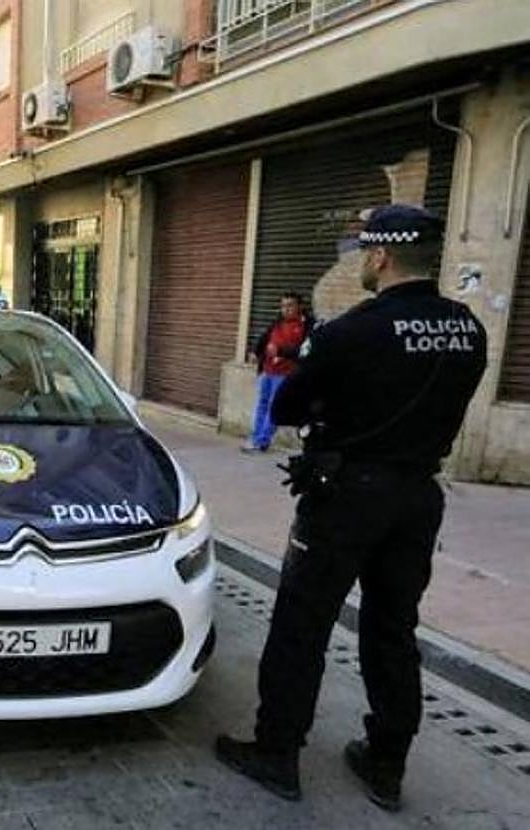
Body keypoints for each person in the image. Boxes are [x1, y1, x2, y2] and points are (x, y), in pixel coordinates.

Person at [215, 205, 487, 812]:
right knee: (393, 631)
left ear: (381, 256)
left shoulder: (353, 329)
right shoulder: (469, 328)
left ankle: (277, 753)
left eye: (363, 251)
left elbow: (286, 407)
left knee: (302, 626)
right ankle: (386, 764)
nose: (361, 261)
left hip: (345, 498)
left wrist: (335, 415)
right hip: (418, 499)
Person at [243, 293, 313, 453]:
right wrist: (255, 351)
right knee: (262, 404)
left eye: (290, 305)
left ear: (299, 307)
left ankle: (262, 441)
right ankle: (255, 437)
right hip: (268, 370)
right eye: (283, 306)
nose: (286, 309)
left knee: (274, 407)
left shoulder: (306, 325)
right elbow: (264, 338)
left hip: (285, 373)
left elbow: (304, 350)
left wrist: (281, 351)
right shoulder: (277, 322)